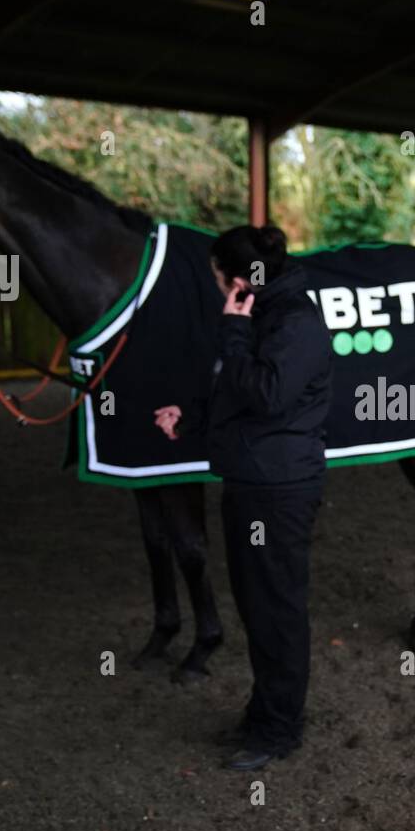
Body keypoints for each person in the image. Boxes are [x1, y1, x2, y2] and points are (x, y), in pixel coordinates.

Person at [154, 224, 332, 771]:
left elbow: (268, 395)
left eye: (214, 278)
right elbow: (238, 391)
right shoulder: (263, 315)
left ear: (236, 281)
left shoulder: (295, 322)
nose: (213, 288)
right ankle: (265, 715)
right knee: (258, 607)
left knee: (277, 610)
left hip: (278, 490)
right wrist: (191, 420)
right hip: (252, 481)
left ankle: (279, 730)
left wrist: (232, 332)